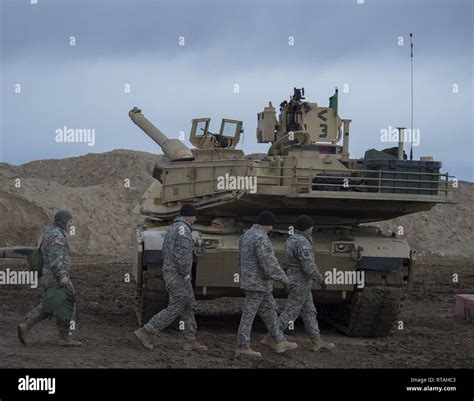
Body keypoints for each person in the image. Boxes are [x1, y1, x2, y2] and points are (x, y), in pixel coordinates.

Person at [134, 203, 207, 351]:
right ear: (190, 216)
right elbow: (182, 257)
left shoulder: (175, 228)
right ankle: (147, 330)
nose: (195, 219)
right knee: (177, 305)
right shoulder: (183, 230)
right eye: (194, 216)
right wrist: (186, 274)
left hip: (173, 272)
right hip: (178, 275)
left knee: (189, 305)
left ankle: (190, 339)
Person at [261, 215, 335, 352]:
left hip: (298, 281)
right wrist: (320, 279)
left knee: (309, 311)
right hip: (301, 281)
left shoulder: (291, 240)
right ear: (308, 227)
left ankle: (317, 340)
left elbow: (286, 262)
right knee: (291, 312)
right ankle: (271, 336)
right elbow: (308, 265)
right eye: (311, 226)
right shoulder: (303, 242)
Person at [235, 211, 298, 358]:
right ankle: (242, 345)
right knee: (249, 314)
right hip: (258, 283)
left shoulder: (246, 235)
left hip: (254, 281)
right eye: (272, 225)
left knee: (269, 310)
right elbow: (268, 263)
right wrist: (284, 278)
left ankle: (279, 340)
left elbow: (240, 258)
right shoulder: (261, 238)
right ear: (268, 224)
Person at [18, 210, 81, 347]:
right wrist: (62, 276)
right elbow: (55, 259)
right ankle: (64, 338)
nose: (71, 225)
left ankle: (26, 326)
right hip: (55, 278)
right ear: (63, 221)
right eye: (70, 221)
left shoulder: (50, 233)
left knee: (49, 305)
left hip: (48, 277)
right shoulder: (56, 236)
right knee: (68, 302)